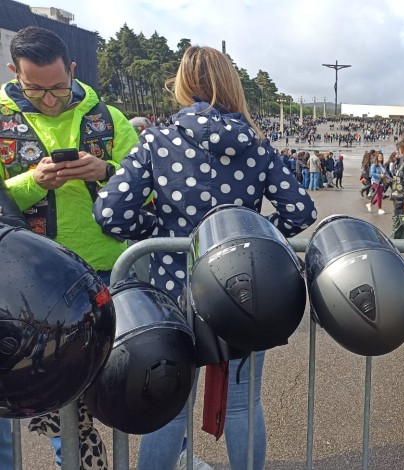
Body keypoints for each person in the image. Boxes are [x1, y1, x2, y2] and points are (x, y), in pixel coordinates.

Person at [93, 45, 317, 470]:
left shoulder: (158, 140)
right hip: (243, 292)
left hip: (175, 292)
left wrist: (158, 229)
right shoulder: (256, 143)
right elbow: (300, 210)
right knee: (243, 405)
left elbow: (110, 212)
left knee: (169, 408)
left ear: (181, 85)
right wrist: (255, 234)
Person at [1, 26, 138, 469]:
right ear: (13, 72)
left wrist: (105, 169)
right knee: (47, 392)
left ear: (73, 70)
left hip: (104, 270)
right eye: (35, 88)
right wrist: (30, 183)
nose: (49, 99)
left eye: (58, 86)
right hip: (25, 282)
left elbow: (145, 185)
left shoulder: (109, 116)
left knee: (121, 380)